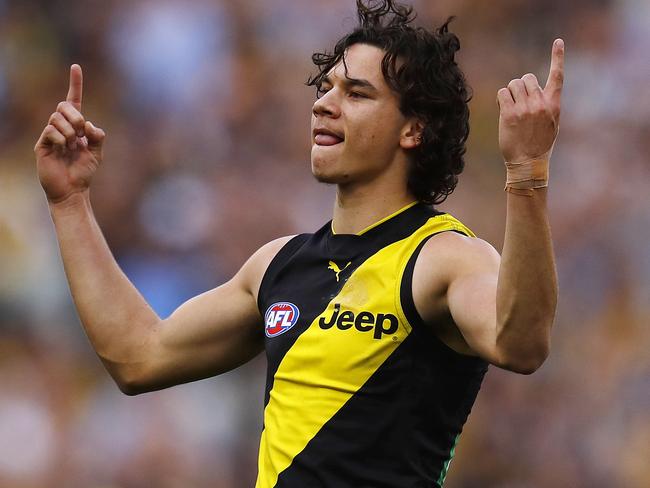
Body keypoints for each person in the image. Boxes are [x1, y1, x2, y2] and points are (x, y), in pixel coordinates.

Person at [34, 0, 562, 486]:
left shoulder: (444, 257)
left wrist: (526, 172)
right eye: (326, 87)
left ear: (413, 130)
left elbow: (521, 345)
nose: (324, 105)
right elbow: (138, 358)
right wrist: (69, 203)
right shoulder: (277, 264)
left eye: (356, 94)